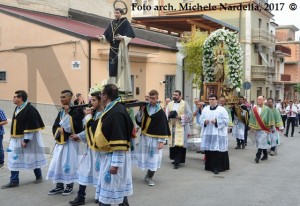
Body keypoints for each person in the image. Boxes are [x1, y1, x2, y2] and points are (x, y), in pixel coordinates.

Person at [94, 84, 133, 206]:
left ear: (105, 96)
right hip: (110, 156)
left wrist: (115, 164)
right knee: (118, 192)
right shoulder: (114, 108)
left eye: (101, 94)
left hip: (114, 157)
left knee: (108, 195)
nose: (100, 96)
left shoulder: (116, 112)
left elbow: (119, 140)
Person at [1, 90, 46, 189]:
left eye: (15, 97)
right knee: (13, 157)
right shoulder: (17, 108)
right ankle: (14, 181)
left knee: (32, 157)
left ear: (20, 98)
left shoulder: (30, 109)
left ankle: (38, 176)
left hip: (27, 139)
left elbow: (32, 125)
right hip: (16, 139)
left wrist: (26, 140)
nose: (13, 98)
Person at [68, 90, 104, 206]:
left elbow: (94, 129)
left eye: (94, 100)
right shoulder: (94, 113)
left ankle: (100, 196)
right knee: (84, 171)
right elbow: (88, 130)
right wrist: (79, 135)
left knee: (100, 174)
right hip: (90, 148)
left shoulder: (104, 114)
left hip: (100, 150)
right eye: (90, 100)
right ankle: (80, 196)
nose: (91, 103)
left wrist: (88, 116)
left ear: (101, 100)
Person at [47, 90, 83, 196]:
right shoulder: (61, 111)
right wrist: (58, 129)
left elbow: (77, 126)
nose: (61, 99)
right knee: (57, 163)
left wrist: (67, 115)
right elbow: (55, 125)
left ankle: (69, 186)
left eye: (64, 97)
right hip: (61, 142)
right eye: (61, 97)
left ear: (70, 98)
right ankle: (59, 186)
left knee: (68, 164)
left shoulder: (76, 110)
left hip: (70, 142)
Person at [135, 90, 171, 186]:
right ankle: (147, 174)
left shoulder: (160, 112)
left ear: (157, 98)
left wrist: (161, 141)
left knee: (154, 158)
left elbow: (163, 126)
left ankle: (150, 176)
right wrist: (141, 111)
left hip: (155, 139)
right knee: (145, 156)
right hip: (145, 137)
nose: (151, 100)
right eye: (150, 98)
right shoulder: (145, 108)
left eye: (153, 98)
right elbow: (139, 121)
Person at [98, 8, 135, 93]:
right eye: (115, 13)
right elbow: (106, 35)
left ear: (121, 14)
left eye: (117, 13)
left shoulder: (125, 22)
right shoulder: (112, 23)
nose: (116, 14)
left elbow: (130, 35)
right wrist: (102, 37)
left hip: (121, 48)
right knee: (112, 67)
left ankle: (121, 86)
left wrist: (122, 37)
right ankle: (112, 86)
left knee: (120, 66)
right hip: (112, 49)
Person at [200, 94, 230, 174]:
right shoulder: (205, 109)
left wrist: (217, 121)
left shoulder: (222, 109)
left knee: (217, 150)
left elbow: (226, 120)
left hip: (218, 133)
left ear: (217, 100)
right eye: (209, 99)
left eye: (213, 99)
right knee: (209, 150)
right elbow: (201, 119)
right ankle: (209, 166)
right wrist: (204, 121)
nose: (211, 101)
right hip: (209, 133)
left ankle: (217, 167)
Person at [166, 90, 192, 169]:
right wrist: (168, 116)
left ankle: (177, 161)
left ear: (180, 96)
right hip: (172, 127)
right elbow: (166, 113)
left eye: (176, 95)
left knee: (179, 144)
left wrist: (180, 117)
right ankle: (174, 159)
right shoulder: (169, 104)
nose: (174, 96)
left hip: (181, 127)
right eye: (174, 95)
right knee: (173, 144)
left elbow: (190, 115)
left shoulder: (184, 104)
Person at [249, 96, 275, 163]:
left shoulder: (267, 109)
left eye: (260, 99)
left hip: (264, 128)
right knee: (260, 142)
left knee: (261, 142)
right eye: (258, 99)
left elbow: (271, 118)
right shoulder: (254, 109)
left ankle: (257, 156)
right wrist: (251, 127)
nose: (259, 100)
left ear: (263, 100)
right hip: (257, 129)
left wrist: (272, 127)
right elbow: (252, 118)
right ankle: (265, 155)